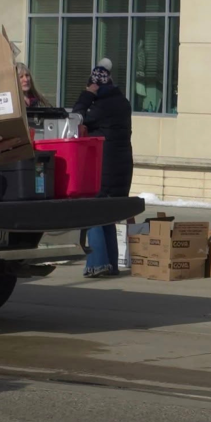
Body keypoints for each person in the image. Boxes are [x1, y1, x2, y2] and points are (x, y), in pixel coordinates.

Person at [72, 58, 133, 278]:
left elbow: (76, 119)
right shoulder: (123, 103)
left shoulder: (99, 107)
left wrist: (87, 95)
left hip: (102, 166)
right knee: (107, 215)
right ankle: (111, 264)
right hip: (122, 166)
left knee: (93, 213)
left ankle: (97, 264)